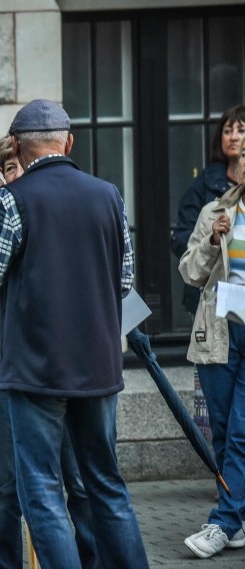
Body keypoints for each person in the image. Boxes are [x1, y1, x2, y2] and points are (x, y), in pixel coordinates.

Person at [0, 99, 148, 569]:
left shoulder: (14, 198)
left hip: (35, 367)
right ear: (68, 142)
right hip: (99, 364)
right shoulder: (108, 193)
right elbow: (124, 279)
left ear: (21, 152)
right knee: (106, 485)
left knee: (43, 491)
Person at [0, 135, 99, 569]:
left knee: (80, 484)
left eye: (22, 168)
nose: (20, 178)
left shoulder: (76, 213)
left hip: (69, 367)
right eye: (10, 170)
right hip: (6, 367)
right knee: (3, 489)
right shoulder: (4, 212)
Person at [178, 137, 245, 559]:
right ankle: (237, 518)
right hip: (222, 332)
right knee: (223, 429)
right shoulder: (217, 212)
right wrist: (210, 239)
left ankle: (223, 521)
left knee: (240, 430)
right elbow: (189, 272)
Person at [171, 105, 245, 447]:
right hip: (214, 303)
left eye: (241, 130)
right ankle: (229, 488)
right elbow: (186, 248)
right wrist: (213, 239)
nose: (234, 137)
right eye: (229, 130)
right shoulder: (208, 187)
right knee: (220, 411)